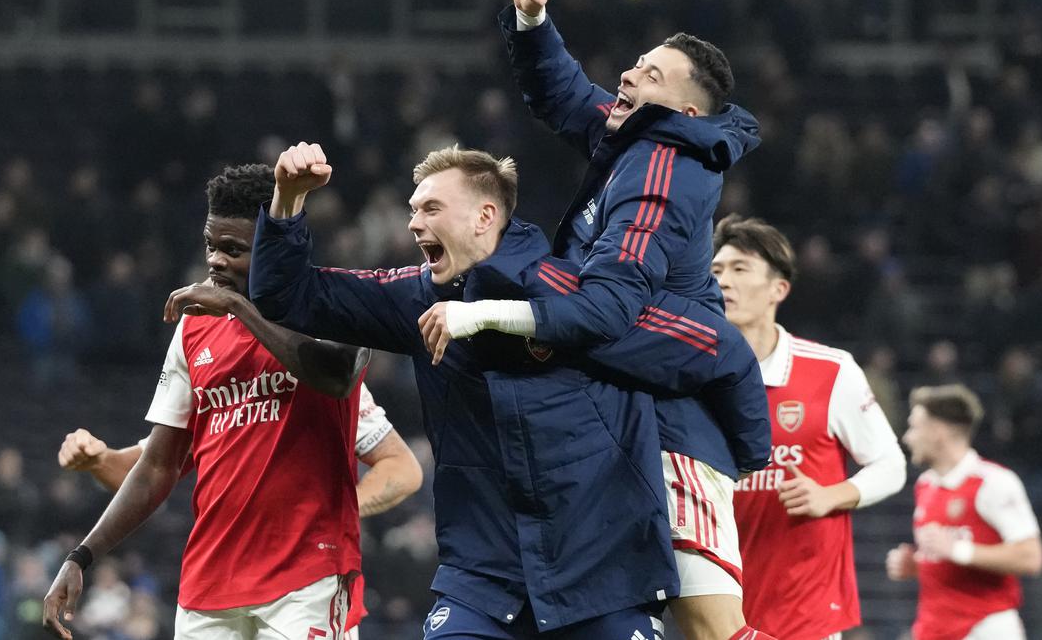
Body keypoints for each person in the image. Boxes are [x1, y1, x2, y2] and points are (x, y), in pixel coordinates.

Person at [232, 142, 771, 639]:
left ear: (485, 216)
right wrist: (286, 201)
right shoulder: (415, 298)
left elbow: (721, 354)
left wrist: (746, 457)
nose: (414, 222)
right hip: (483, 579)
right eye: (414, 209)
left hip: (604, 578)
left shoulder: (589, 301)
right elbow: (289, 296)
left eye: (431, 209)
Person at [427, 0, 770, 640]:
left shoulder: (663, 173)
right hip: (629, 413)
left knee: (711, 629)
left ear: (684, 110)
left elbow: (609, 308)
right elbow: (564, 94)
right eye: (636, 64)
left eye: (650, 75)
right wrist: (531, 19)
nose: (628, 76)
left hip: (675, 429)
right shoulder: (637, 138)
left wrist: (488, 313)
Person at [42, 165, 374, 640]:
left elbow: (339, 375)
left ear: (271, 244)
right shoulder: (193, 329)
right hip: (209, 586)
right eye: (210, 246)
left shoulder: (327, 299)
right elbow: (158, 467)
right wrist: (81, 556)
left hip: (308, 577)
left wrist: (241, 309)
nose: (215, 260)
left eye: (233, 249)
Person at [711, 214, 907, 640]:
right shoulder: (690, 377)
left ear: (778, 289)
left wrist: (832, 494)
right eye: (716, 271)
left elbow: (891, 464)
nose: (724, 281)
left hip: (806, 612)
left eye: (740, 269)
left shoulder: (830, 371)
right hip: (718, 613)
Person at [55, 379, 422, 518]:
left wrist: (330, 514)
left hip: (305, 583)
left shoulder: (319, 362)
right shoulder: (209, 372)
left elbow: (401, 467)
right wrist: (98, 460)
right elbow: (140, 473)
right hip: (214, 584)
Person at [887, 384, 1042, 640]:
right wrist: (917, 565)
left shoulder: (993, 482)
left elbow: (1031, 558)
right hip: (933, 628)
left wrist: (958, 550)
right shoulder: (926, 485)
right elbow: (950, 555)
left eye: (915, 427)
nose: (908, 437)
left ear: (938, 432)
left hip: (985, 628)